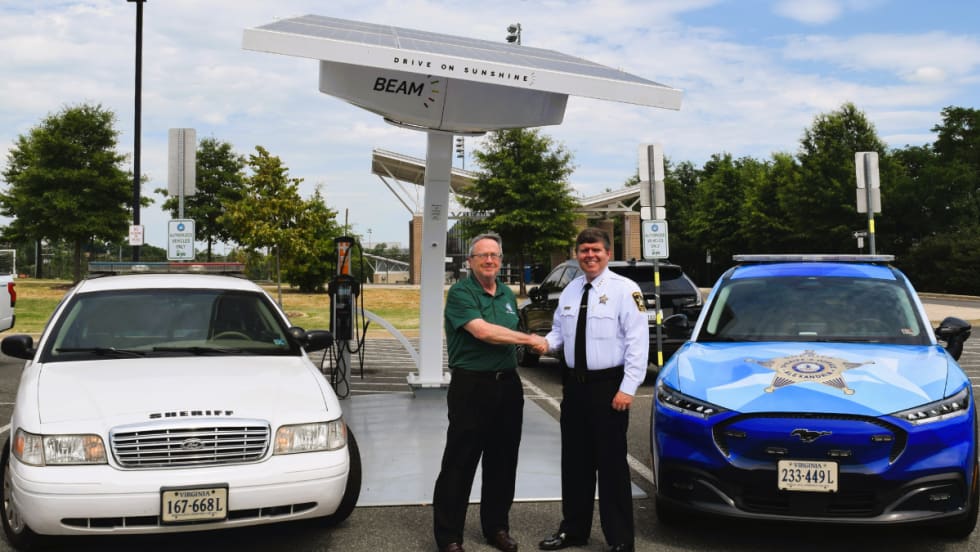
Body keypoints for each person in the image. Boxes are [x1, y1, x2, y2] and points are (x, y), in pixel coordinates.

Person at [433, 232, 549, 552]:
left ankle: (496, 527)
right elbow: (483, 331)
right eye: (482, 255)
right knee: (460, 461)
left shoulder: (507, 296)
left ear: (501, 261)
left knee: (502, 461)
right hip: (472, 385)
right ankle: (449, 536)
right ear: (470, 261)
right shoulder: (461, 293)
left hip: (507, 386)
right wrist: (529, 340)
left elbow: (509, 335)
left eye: (494, 256)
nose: (488, 261)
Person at [538, 227, 648, 552]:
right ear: (576, 254)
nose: (590, 255)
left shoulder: (625, 291)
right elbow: (559, 332)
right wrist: (542, 343)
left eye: (596, 250)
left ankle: (619, 539)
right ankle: (573, 530)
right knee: (574, 463)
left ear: (608, 253)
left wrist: (627, 388)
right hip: (575, 388)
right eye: (584, 250)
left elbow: (637, 344)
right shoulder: (571, 291)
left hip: (609, 389)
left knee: (612, 466)